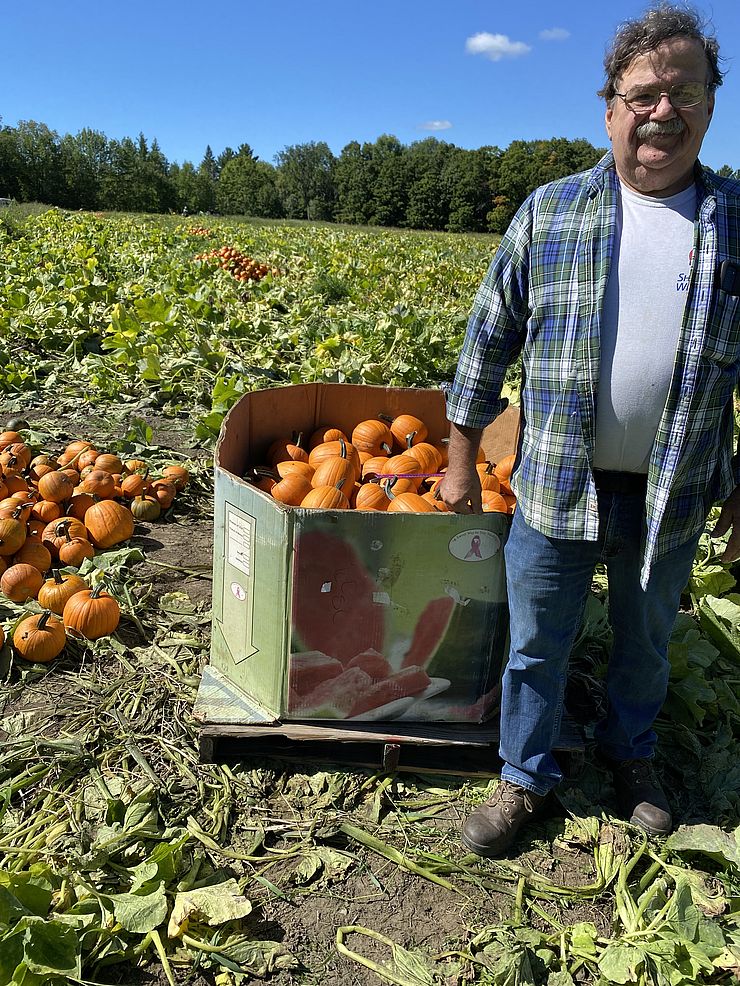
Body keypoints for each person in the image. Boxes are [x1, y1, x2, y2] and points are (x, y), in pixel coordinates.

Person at [441, 3, 740, 857]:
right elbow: (486, 337)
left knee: (647, 641)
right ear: (610, 107)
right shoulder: (552, 210)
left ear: (711, 107)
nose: (663, 110)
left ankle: (630, 754)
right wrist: (462, 456)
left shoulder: (736, 222)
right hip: (556, 478)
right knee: (538, 640)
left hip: (672, 488)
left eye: (685, 91)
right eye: (643, 92)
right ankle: (523, 776)